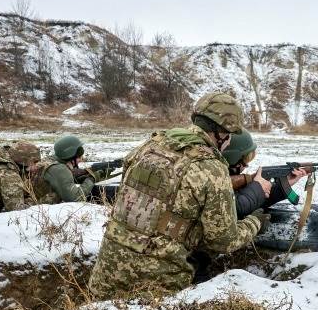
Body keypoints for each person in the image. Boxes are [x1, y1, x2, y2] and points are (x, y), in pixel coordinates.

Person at [88, 92, 266, 298]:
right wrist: (255, 223)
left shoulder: (150, 145)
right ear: (222, 133)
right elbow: (223, 241)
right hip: (154, 290)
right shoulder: (211, 168)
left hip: (104, 278)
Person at [223, 130, 307, 218]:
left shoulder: (225, 179)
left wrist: (282, 186)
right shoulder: (218, 184)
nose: (247, 166)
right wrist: (257, 186)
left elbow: (253, 202)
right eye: (245, 162)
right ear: (232, 159)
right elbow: (237, 208)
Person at [30, 135, 114, 204]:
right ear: (69, 155)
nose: (81, 159)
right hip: (39, 207)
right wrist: (92, 178)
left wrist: (91, 174)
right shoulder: (59, 169)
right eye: (79, 155)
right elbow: (75, 198)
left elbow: (67, 179)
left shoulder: (51, 161)